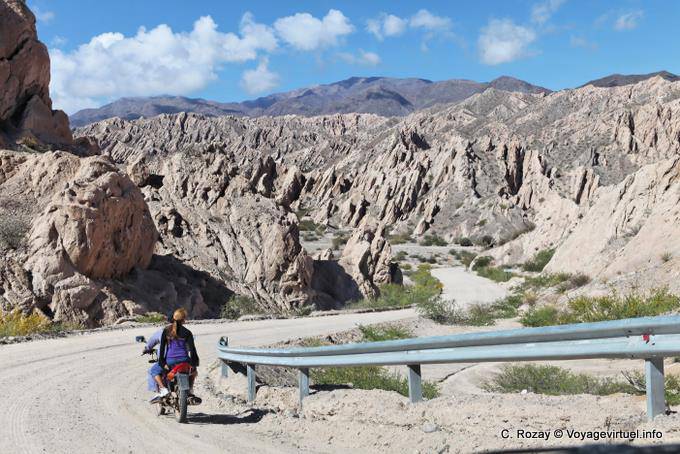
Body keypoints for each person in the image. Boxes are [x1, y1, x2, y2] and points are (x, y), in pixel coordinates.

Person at [150, 308, 200, 403]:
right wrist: (194, 363)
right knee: (193, 372)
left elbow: (162, 349)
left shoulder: (166, 330)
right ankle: (190, 389)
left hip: (170, 361)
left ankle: (163, 389)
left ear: (173, 317)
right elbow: (192, 349)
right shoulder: (187, 332)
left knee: (154, 370)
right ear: (184, 320)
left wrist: (162, 362)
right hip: (184, 360)